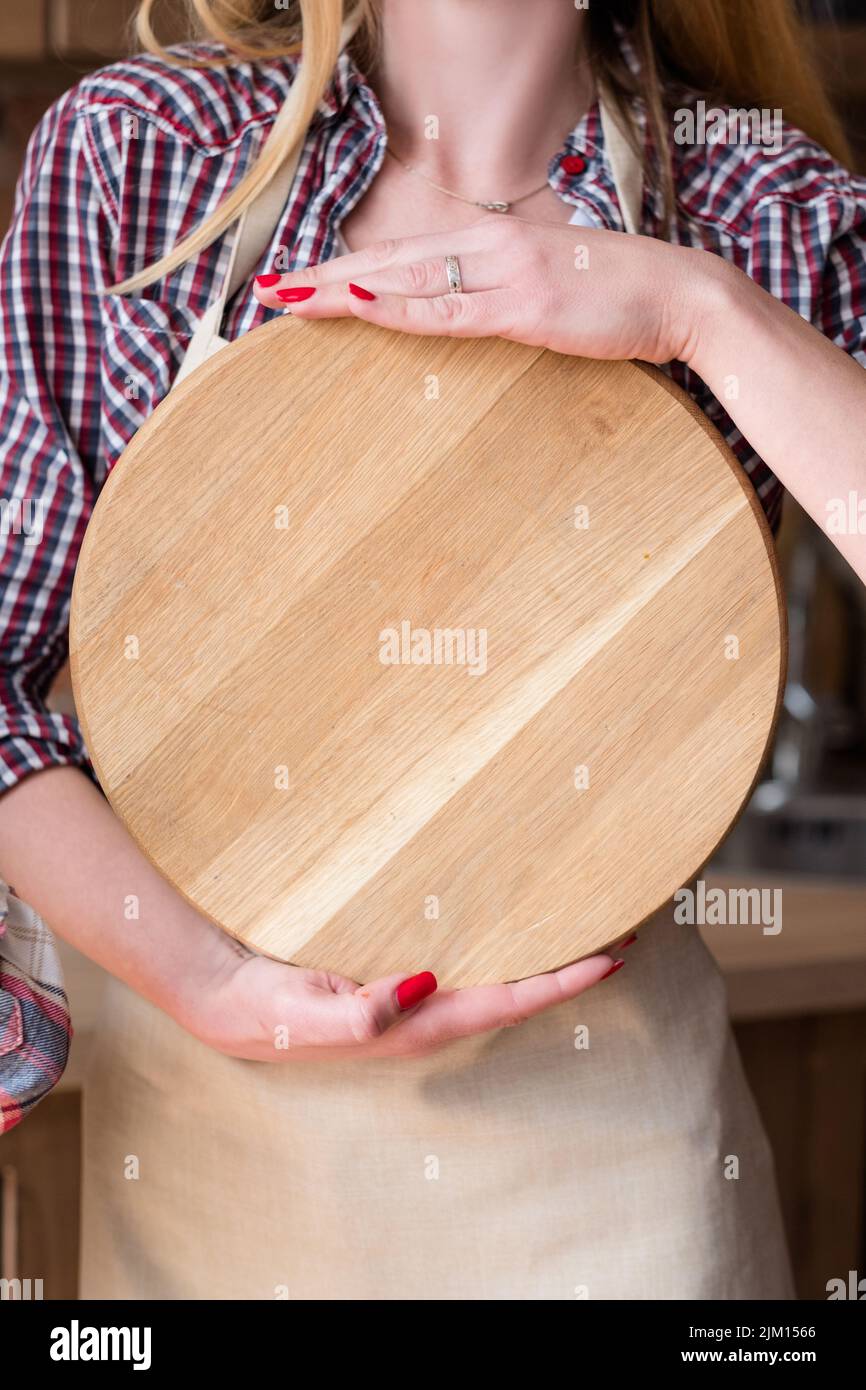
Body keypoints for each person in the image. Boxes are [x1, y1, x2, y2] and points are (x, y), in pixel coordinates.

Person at [1, 0, 864, 1300]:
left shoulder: (759, 202)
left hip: (614, 1154)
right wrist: (209, 979)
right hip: (219, 1140)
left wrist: (698, 310)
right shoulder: (148, 152)